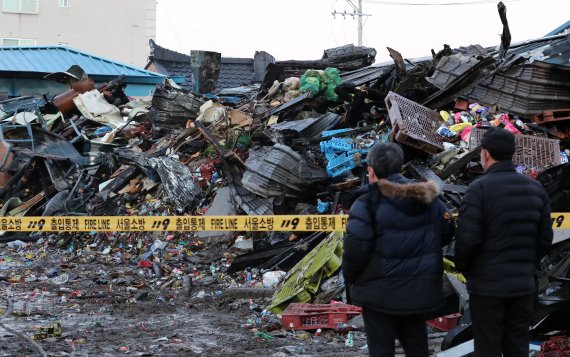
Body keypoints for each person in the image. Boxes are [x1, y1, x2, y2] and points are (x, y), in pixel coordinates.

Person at [342, 142, 455, 357]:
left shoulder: (367, 203)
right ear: (399, 167)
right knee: (417, 347)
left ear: (371, 170)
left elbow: (355, 249)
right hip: (418, 290)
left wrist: (352, 279)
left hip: (377, 294)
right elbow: (447, 229)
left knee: (381, 350)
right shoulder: (428, 199)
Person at [455, 127, 554, 357]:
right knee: (517, 344)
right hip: (522, 286)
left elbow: (466, 242)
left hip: (487, 287)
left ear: (486, 154)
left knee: (488, 347)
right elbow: (545, 240)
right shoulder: (536, 189)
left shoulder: (478, 190)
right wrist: (526, 266)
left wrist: (469, 271)